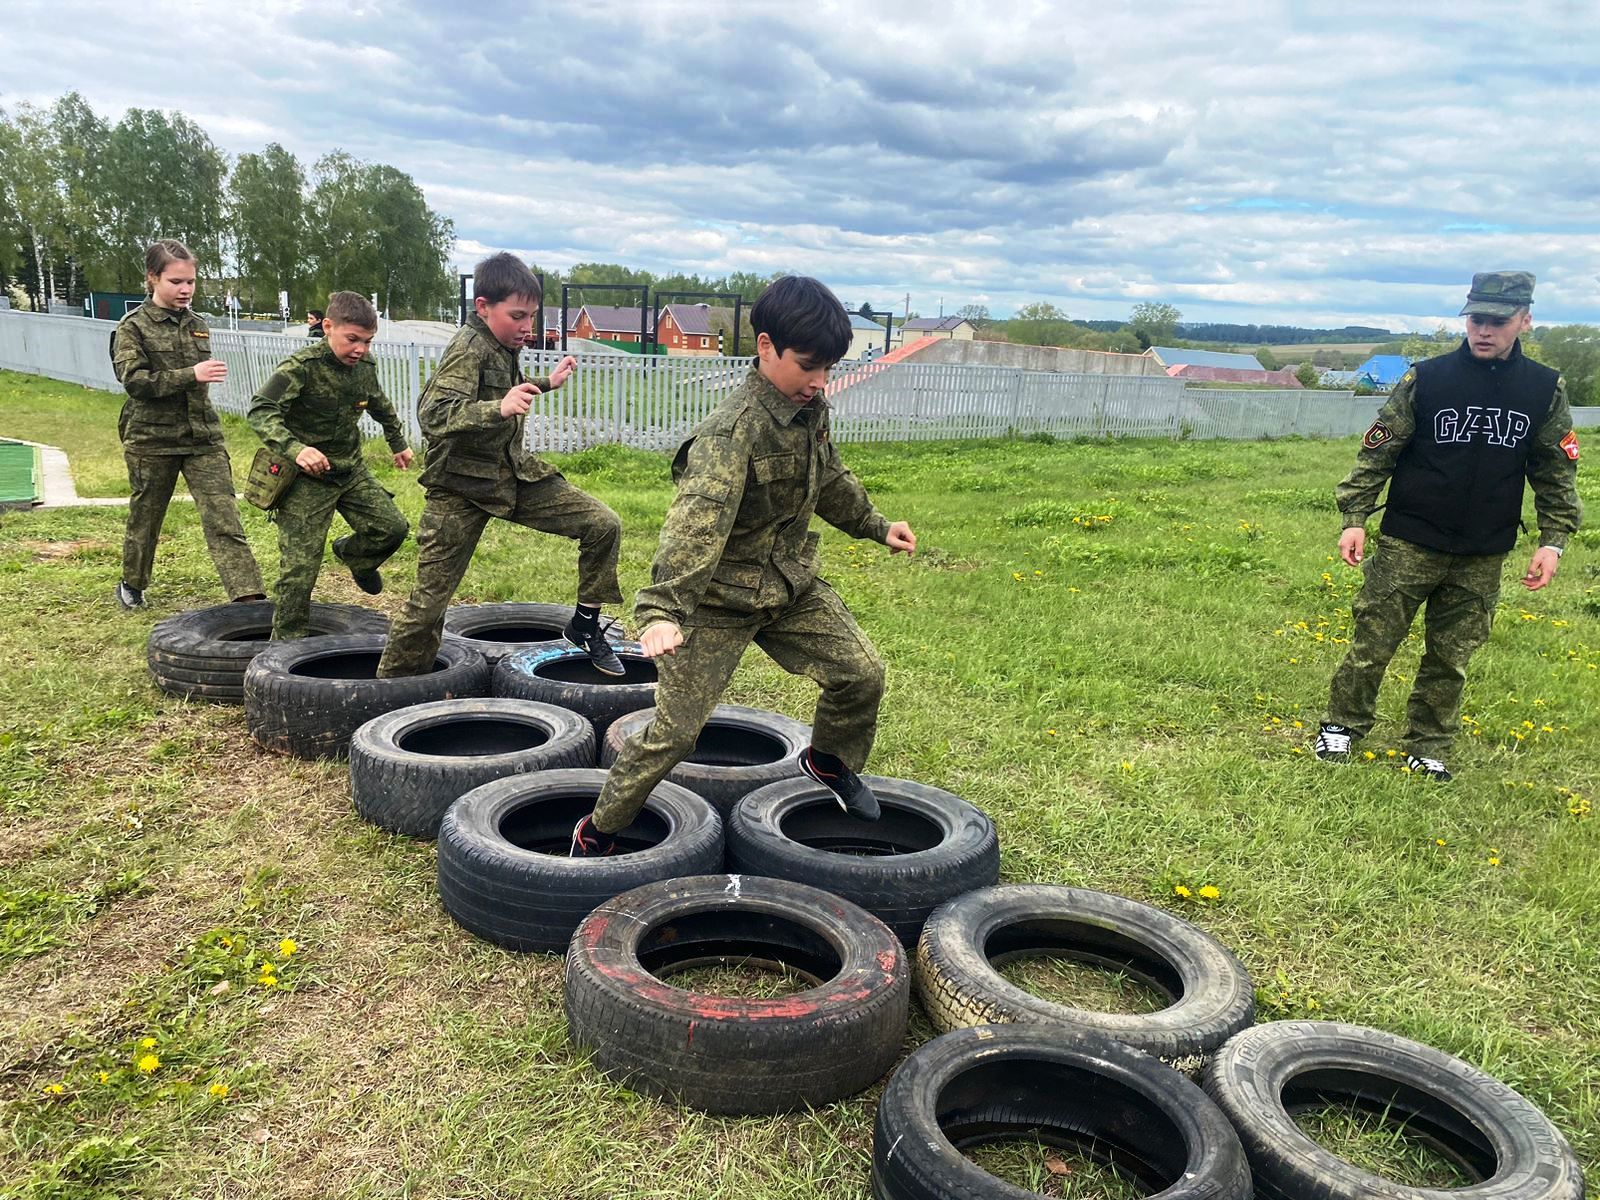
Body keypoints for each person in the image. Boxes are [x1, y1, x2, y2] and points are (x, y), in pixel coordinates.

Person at [572, 275, 917, 856]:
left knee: (861, 674)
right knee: (673, 735)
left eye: (828, 367)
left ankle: (829, 761)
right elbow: (694, 525)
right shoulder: (733, 433)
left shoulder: (809, 408)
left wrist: (875, 525)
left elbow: (828, 477)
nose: (819, 380)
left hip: (787, 586)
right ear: (765, 346)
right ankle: (599, 831)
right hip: (715, 604)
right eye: (809, 365)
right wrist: (661, 611)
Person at [1315, 271, 1582, 781]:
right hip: (1409, 540)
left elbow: (1555, 471)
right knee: (1374, 641)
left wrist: (1554, 541)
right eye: (1475, 319)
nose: (1483, 330)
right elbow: (1379, 449)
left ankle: (1428, 741)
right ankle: (1343, 725)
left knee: (1451, 656)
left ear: (1525, 320)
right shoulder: (1428, 377)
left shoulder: (1543, 388)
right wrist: (1354, 517)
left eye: (1497, 322)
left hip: (1484, 550)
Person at [375, 252, 624, 678]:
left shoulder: (500, 342)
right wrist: (498, 408)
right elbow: (434, 414)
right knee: (429, 605)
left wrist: (548, 383)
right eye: (518, 316)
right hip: (461, 489)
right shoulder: (468, 347)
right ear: (483, 308)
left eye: (531, 316)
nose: (528, 327)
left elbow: (506, 391)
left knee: (603, 524)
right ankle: (390, 690)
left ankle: (584, 625)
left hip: (512, 475)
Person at [247, 291, 413, 639]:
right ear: (327, 327)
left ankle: (355, 556)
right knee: (300, 570)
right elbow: (261, 409)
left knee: (392, 528)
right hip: (306, 479)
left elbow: (379, 404)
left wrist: (398, 443)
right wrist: (296, 448)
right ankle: (285, 648)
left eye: (367, 342)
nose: (361, 349)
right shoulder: (301, 367)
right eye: (352, 339)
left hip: (349, 471)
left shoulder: (364, 367)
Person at [111, 239, 265, 609]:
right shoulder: (133, 327)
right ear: (152, 279)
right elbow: (135, 382)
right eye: (176, 281)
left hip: (203, 438)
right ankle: (132, 583)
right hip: (152, 439)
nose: (185, 290)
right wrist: (191, 374)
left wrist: (195, 378)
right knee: (146, 517)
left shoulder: (198, 324)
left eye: (191, 282)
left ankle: (248, 596)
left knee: (223, 517)